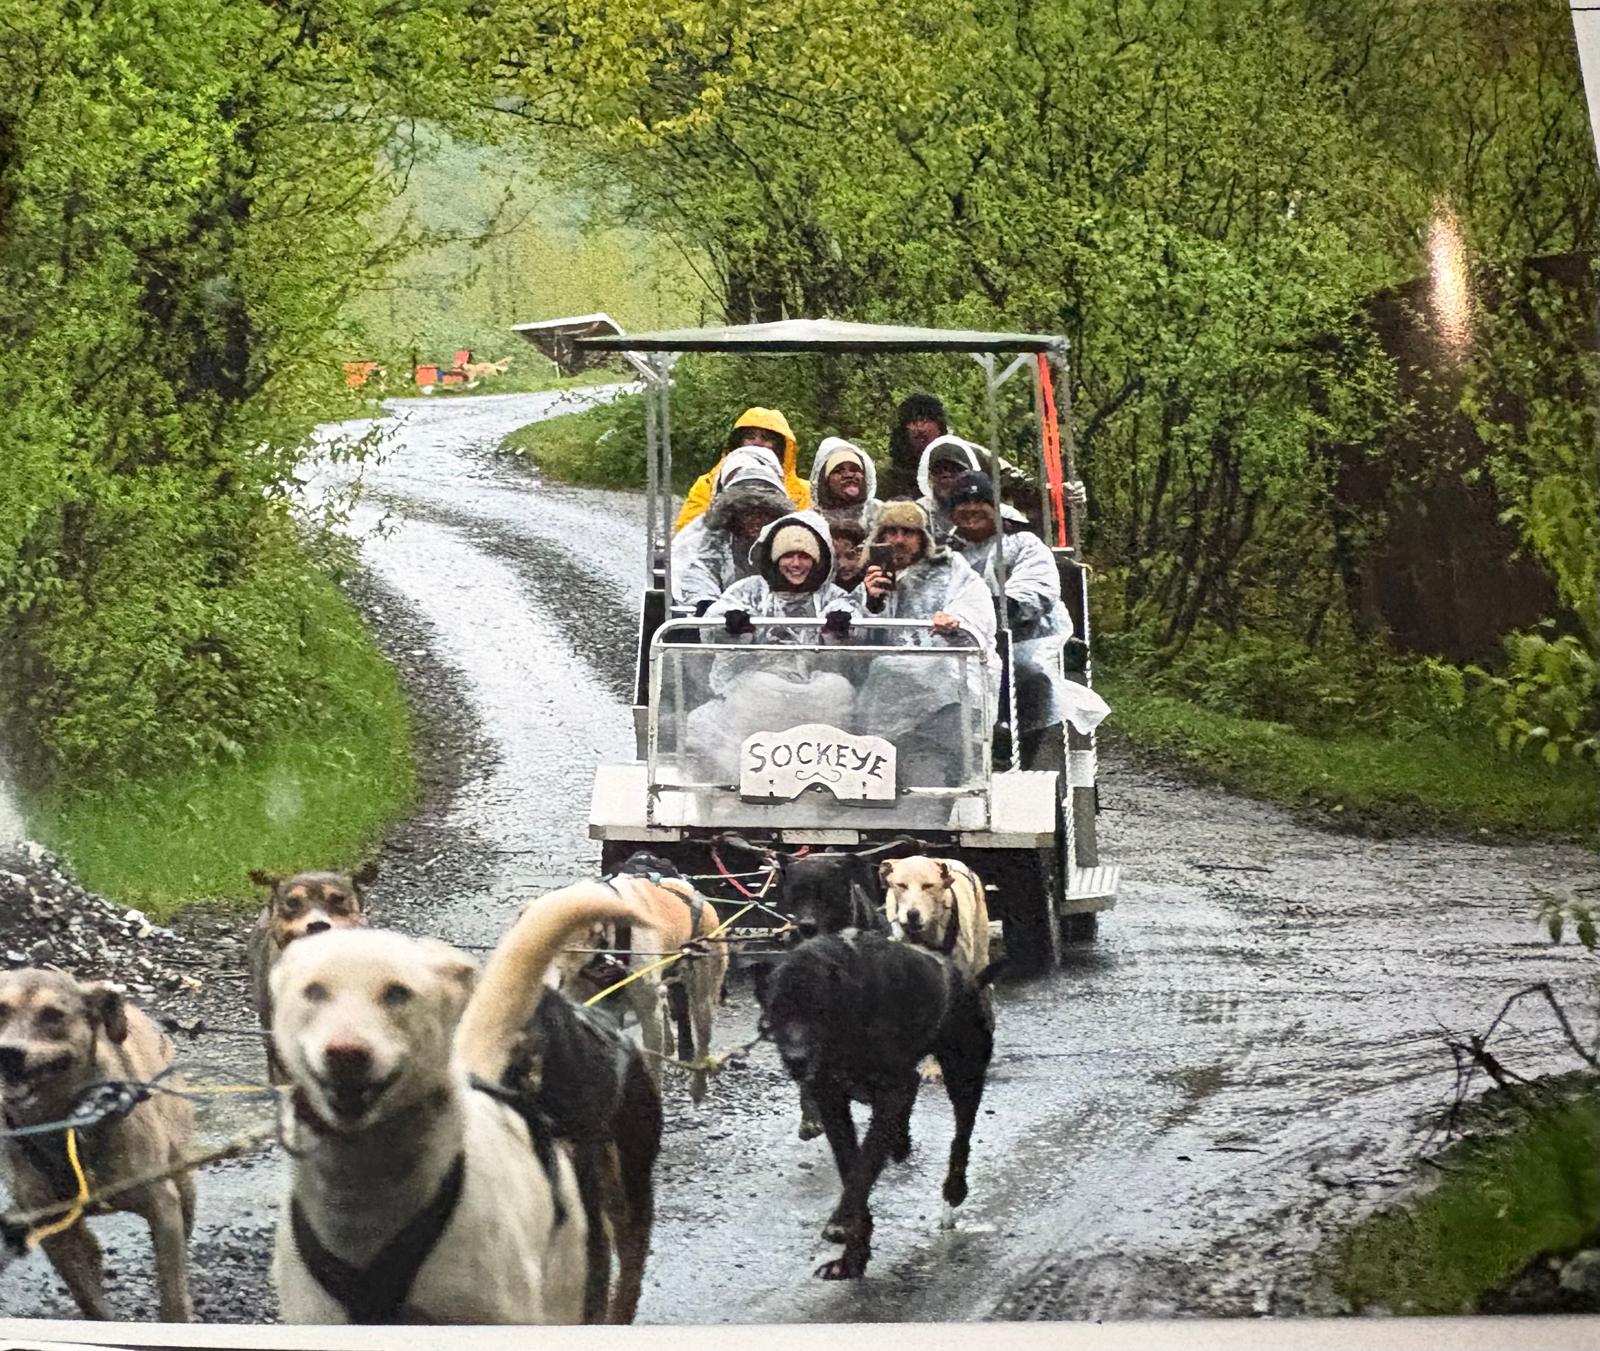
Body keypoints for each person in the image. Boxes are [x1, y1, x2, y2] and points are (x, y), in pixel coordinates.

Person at [942, 470, 1105, 769]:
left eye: (980, 502)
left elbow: (1038, 587)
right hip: (958, 640)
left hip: (1025, 637)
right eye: (962, 503)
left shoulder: (1022, 543)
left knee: (1026, 671)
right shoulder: (944, 552)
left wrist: (1000, 608)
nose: (971, 509)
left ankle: (1019, 750)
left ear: (995, 506)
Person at [685, 512, 862, 780]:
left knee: (837, 689)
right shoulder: (749, 590)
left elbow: (851, 615)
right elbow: (717, 618)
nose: (796, 563)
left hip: (815, 682)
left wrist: (841, 624)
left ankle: (825, 776)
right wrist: (732, 622)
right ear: (775, 558)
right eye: (788, 555)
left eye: (804, 556)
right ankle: (742, 776)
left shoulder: (831, 595)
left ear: (817, 560)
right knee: (759, 689)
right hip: (757, 679)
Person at [853, 501, 998, 786]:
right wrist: (871, 602)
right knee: (884, 669)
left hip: (948, 677)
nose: (898, 540)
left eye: (908, 532)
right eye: (891, 532)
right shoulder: (872, 576)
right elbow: (849, 626)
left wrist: (955, 620)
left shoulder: (951, 569)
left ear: (923, 538)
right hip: (885, 686)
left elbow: (977, 608)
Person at [671, 452, 794, 611]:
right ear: (734, 514)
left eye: (764, 514)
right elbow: (699, 571)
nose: (756, 521)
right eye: (748, 513)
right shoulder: (714, 539)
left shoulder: (790, 540)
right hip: (723, 617)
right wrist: (706, 602)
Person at [674, 407, 811, 534]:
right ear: (738, 442)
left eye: (766, 438)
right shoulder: (707, 485)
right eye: (750, 437)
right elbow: (688, 535)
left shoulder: (804, 491)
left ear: (781, 446)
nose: (757, 442)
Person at [808, 436, 881, 538]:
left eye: (855, 469)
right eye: (838, 471)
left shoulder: (878, 514)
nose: (849, 475)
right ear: (826, 481)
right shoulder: (812, 520)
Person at [884, 392, 949, 500]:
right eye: (914, 421)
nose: (920, 428)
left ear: (939, 427)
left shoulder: (954, 470)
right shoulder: (890, 479)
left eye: (926, 420)